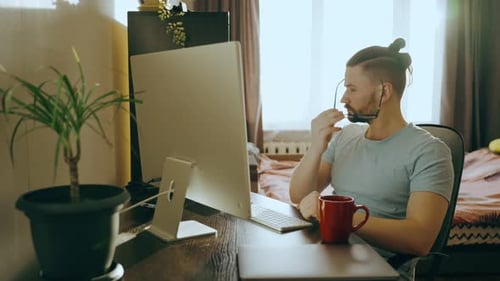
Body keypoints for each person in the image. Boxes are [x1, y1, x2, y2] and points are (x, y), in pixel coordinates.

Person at [289, 38, 454, 279]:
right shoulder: (345, 136)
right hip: (328, 255)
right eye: (344, 88)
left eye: (352, 88)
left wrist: (335, 218)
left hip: (378, 269)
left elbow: (420, 239)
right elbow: (298, 195)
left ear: (383, 92)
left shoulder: (430, 151)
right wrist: (316, 146)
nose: (344, 98)